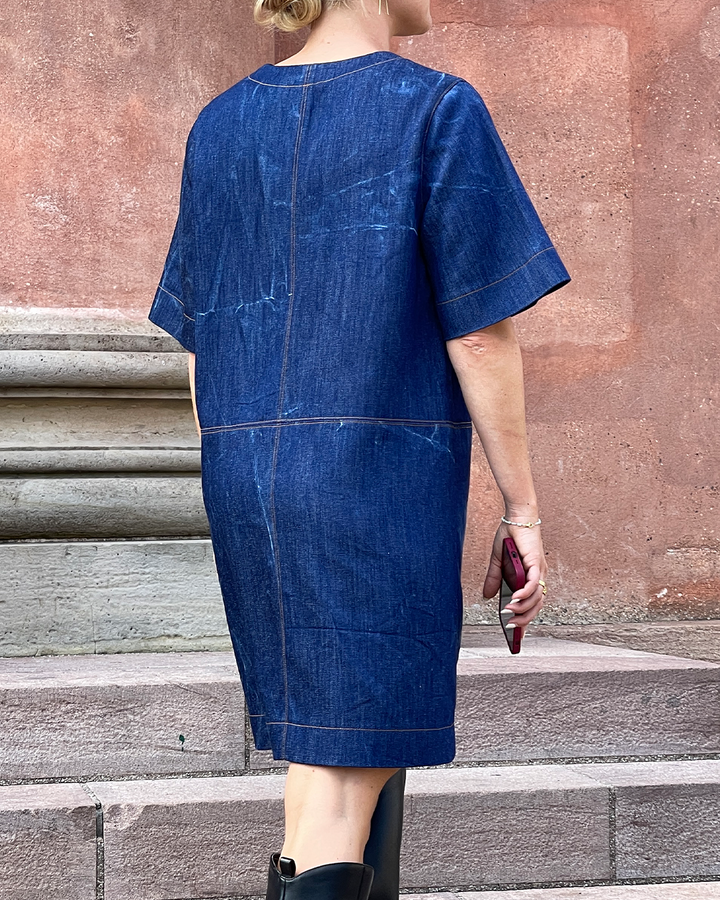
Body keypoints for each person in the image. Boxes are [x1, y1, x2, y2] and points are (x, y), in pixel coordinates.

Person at [148, 0, 571, 898]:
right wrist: (522, 507)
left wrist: (247, 477)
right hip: (376, 485)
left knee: (323, 765)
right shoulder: (436, 108)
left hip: (249, 478)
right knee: (346, 777)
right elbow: (482, 335)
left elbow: (200, 346)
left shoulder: (220, 123)